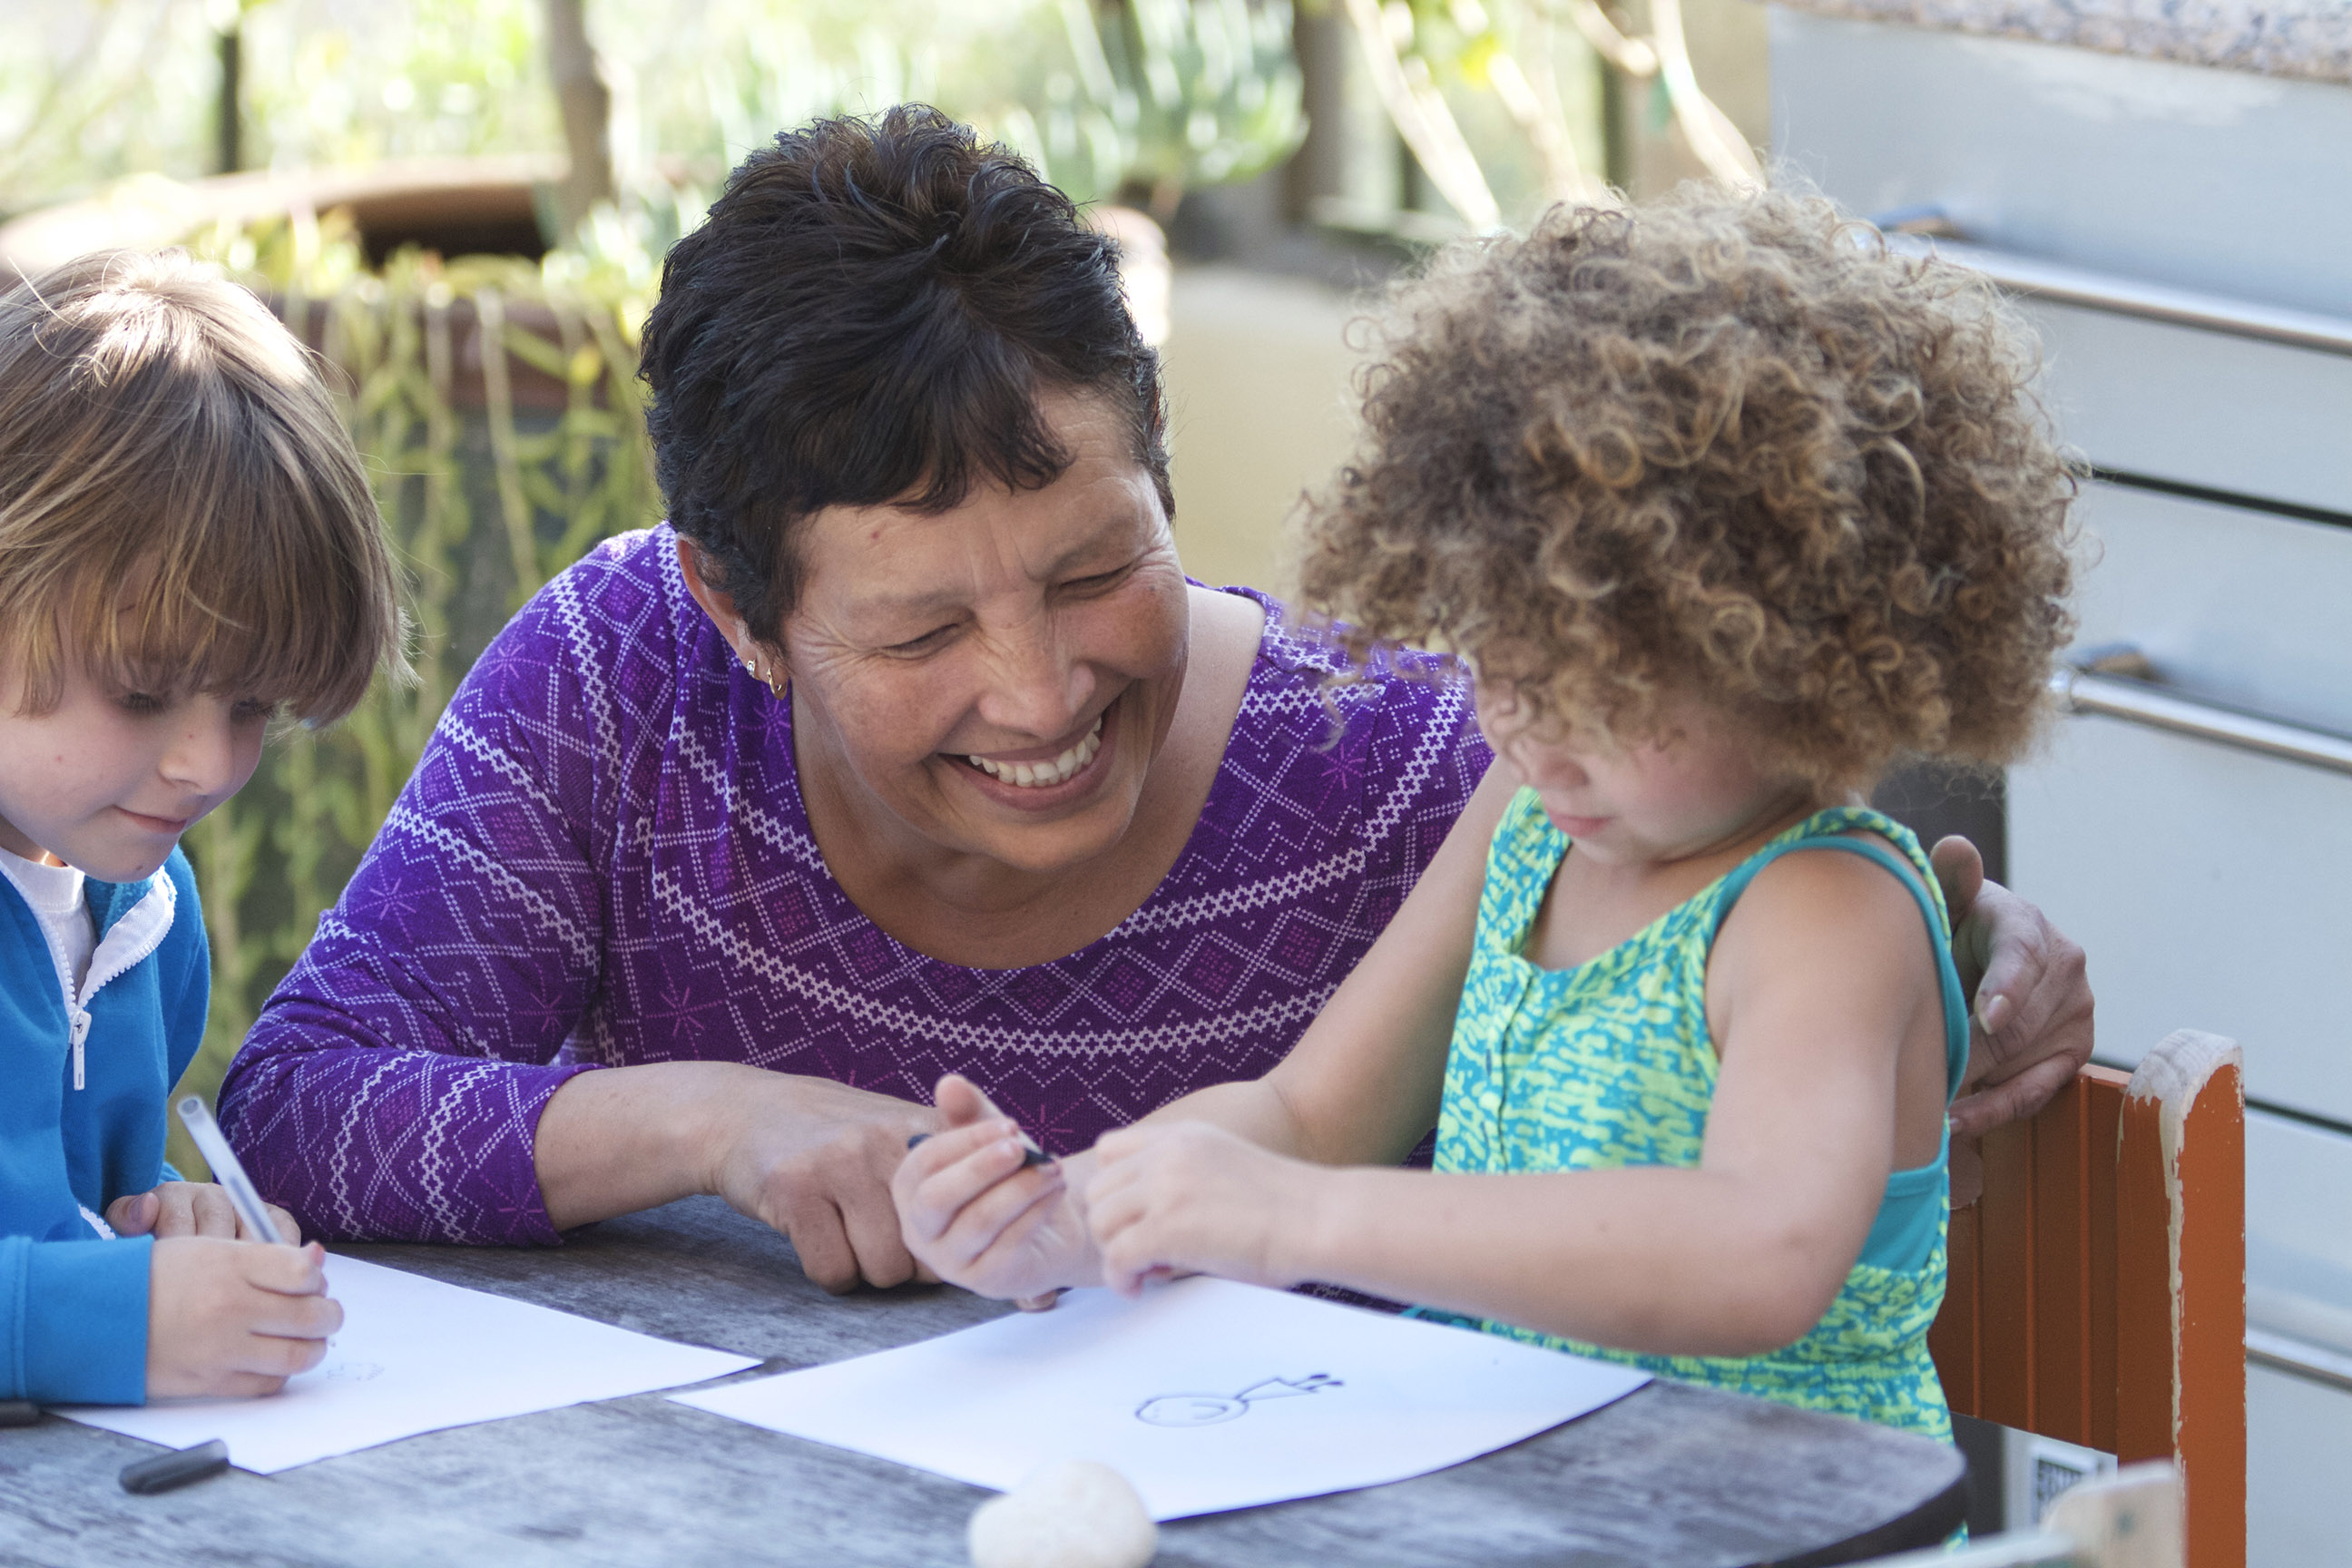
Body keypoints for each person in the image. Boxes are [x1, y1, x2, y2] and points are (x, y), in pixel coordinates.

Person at [220, 108, 2091, 1295]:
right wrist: (720, 1125)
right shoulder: (628, 675)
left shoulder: (1420, 760)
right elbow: (302, 1109)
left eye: (1098, 567)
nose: (1039, 690)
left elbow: (1736, 908)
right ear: (742, 609)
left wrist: (1945, 926)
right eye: (920, 631)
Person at [897, 184, 2076, 1439]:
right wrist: (1073, 1221)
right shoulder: (1535, 823)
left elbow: (1762, 1251)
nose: (1541, 740)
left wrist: (1303, 1223)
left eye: (1613, 695)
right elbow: (1306, 1118)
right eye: (1509, 669)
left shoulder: (1825, 908)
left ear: (1808, 660)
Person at [0, 252, 404, 1402]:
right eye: (139, 690)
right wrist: (106, 1324)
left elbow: (68, 1222)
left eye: (251, 708)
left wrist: (162, 1216)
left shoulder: (148, 922)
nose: (207, 763)